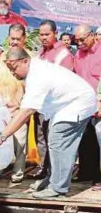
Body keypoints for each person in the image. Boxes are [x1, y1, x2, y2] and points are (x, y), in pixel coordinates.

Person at [0, 47, 97, 199]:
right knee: (54, 140)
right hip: (65, 105)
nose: (12, 73)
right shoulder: (34, 70)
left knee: (59, 142)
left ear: (25, 61)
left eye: (14, 68)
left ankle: (58, 188)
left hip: (78, 103)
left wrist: (2, 135)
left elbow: (26, 111)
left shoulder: (38, 75)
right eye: (10, 69)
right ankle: (53, 180)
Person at [32, 20, 75, 181]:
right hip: (41, 105)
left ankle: (57, 176)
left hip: (56, 106)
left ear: (55, 33)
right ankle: (44, 170)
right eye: (41, 34)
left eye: (47, 34)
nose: (43, 38)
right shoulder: (40, 54)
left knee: (55, 142)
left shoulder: (63, 54)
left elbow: (65, 82)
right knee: (41, 139)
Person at [0, 24, 28, 183]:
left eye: (17, 39)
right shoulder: (1, 57)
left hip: (20, 105)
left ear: (24, 39)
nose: (14, 42)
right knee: (0, 139)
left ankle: (18, 173)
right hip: (2, 105)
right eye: (12, 38)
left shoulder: (29, 58)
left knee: (20, 142)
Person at [74, 24, 101, 182]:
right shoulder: (78, 54)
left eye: (82, 39)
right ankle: (86, 174)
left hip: (98, 103)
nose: (79, 43)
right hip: (83, 105)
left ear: (91, 35)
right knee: (85, 141)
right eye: (77, 40)